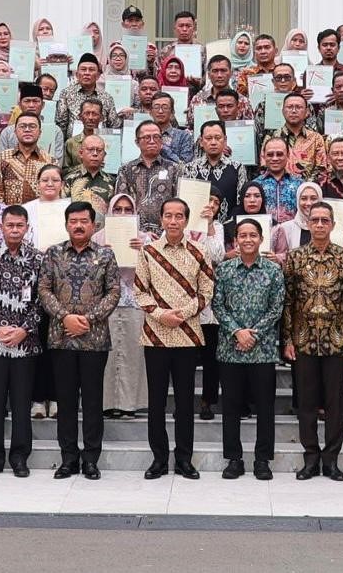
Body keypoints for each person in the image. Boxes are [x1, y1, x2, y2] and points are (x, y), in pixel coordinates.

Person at [36, 199, 117, 479]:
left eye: (84, 221)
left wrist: (88, 320)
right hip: (61, 339)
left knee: (93, 401)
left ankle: (91, 458)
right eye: (73, 221)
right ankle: (68, 458)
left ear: (93, 225)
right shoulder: (54, 254)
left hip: (94, 340)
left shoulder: (106, 256)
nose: (79, 225)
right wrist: (65, 317)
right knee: (66, 402)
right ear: (66, 224)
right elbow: (44, 290)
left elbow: (113, 293)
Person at [132, 194, 211, 478]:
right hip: (155, 336)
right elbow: (139, 290)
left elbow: (207, 291)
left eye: (179, 216)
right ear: (161, 219)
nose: (174, 221)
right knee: (156, 401)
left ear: (186, 220)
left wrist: (185, 311)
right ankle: (158, 459)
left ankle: (184, 459)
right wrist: (160, 314)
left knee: (185, 402)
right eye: (169, 216)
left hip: (188, 336)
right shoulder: (148, 252)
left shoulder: (200, 251)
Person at [281, 199, 343, 481]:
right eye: (316, 220)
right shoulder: (296, 258)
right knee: (307, 403)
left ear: (333, 225)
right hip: (304, 339)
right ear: (308, 224)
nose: (321, 225)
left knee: (335, 404)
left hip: (336, 340)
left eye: (326, 220)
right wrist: (287, 338)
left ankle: (332, 459)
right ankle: (310, 458)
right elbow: (288, 301)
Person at [0, 202, 44, 475]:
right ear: (0, 227)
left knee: (22, 404)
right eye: (9, 225)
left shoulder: (37, 260)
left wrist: (24, 330)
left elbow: (42, 301)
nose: (14, 230)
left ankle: (20, 457)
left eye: (19, 225)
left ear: (27, 228)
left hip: (25, 344)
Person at [211, 215, 285, 478]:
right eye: (243, 235)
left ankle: (262, 459)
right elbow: (217, 305)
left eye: (253, 235)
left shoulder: (273, 270)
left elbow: (276, 307)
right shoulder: (224, 270)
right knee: (231, 407)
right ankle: (234, 458)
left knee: (265, 407)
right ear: (236, 240)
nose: (248, 239)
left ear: (261, 239)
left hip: (262, 349)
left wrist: (253, 334)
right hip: (230, 350)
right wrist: (237, 332)